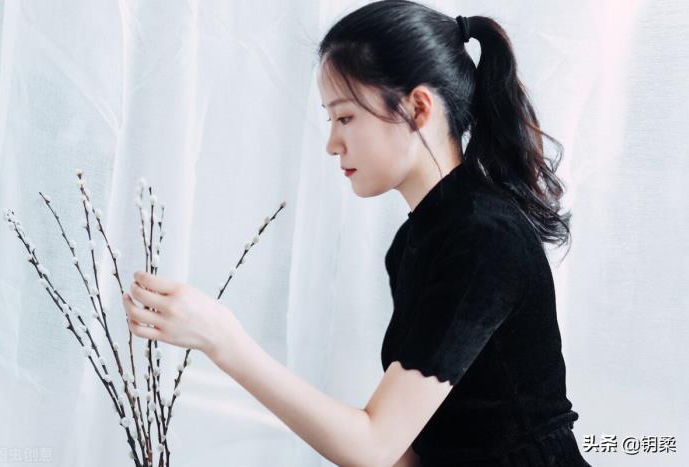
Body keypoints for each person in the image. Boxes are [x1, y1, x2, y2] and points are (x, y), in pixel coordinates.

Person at [122, 1, 593, 465]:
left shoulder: (484, 238)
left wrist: (222, 339)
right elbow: (411, 448)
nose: (332, 144)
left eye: (345, 117)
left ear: (418, 108)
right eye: (330, 119)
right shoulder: (414, 243)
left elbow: (374, 446)